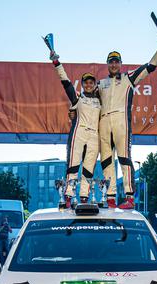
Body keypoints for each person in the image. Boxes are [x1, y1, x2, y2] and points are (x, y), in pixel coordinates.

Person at [98, 30, 157, 209]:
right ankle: (110, 196)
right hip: (103, 124)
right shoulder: (100, 84)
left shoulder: (128, 77)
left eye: (116, 61)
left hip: (122, 123)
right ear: (107, 65)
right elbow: (89, 104)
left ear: (120, 64)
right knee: (106, 161)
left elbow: (150, 66)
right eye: (111, 62)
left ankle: (129, 197)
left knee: (124, 158)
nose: (114, 64)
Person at [49, 50, 101, 206]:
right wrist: (57, 63)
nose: (88, 84)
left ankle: (84, 196)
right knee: (73, 166)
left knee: (89, 167)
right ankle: (69, 195)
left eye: (91, 82)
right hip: (78, 133)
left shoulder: (100, 101)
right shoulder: (78, 98)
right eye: (86, 82)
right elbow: (66, 83)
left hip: (94, 136)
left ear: (95, 84)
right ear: (83, 84)